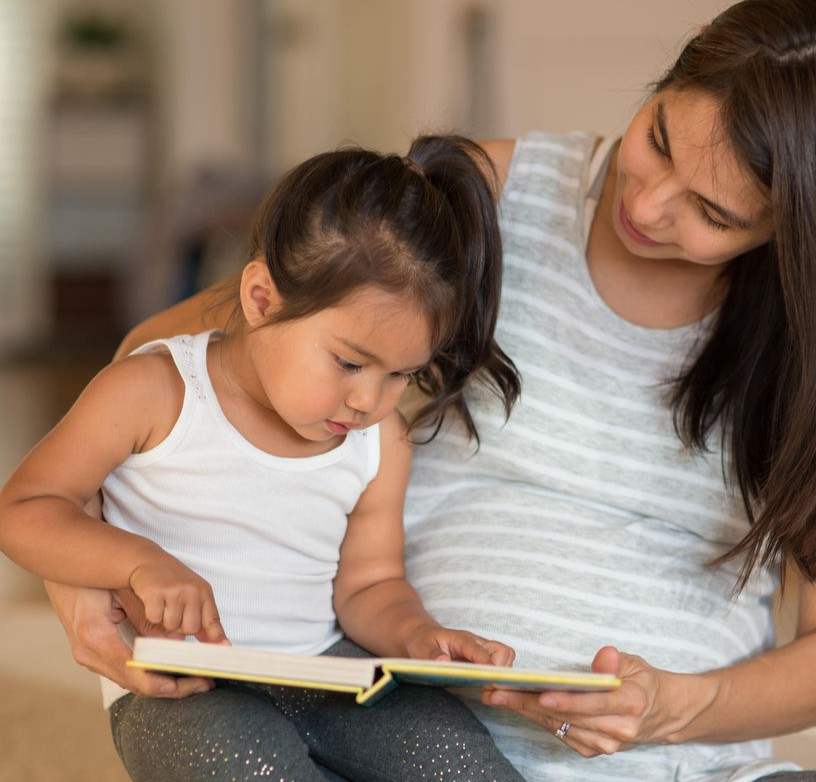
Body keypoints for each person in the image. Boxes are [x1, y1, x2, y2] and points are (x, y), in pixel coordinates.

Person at [38, 0, 816, 780]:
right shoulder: (483, 195)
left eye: (713, 212)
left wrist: (680, 707)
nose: (646, 204)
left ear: (797, 223)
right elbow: (163, 364)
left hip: (679, 764)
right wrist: (83, 589)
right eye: (661, 140)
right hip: (377, 728)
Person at [0, 136, 529, 782]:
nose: (368, 399)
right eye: (349, 362)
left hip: (329, 672)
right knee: (244, 765)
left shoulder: (378, 440)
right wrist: (138, 563)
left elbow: (369, 585)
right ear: (260, 298)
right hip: (187, 689)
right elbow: (24, 510)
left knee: (456, 757)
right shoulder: (154, 390)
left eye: (402, 375)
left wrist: (420, 636)